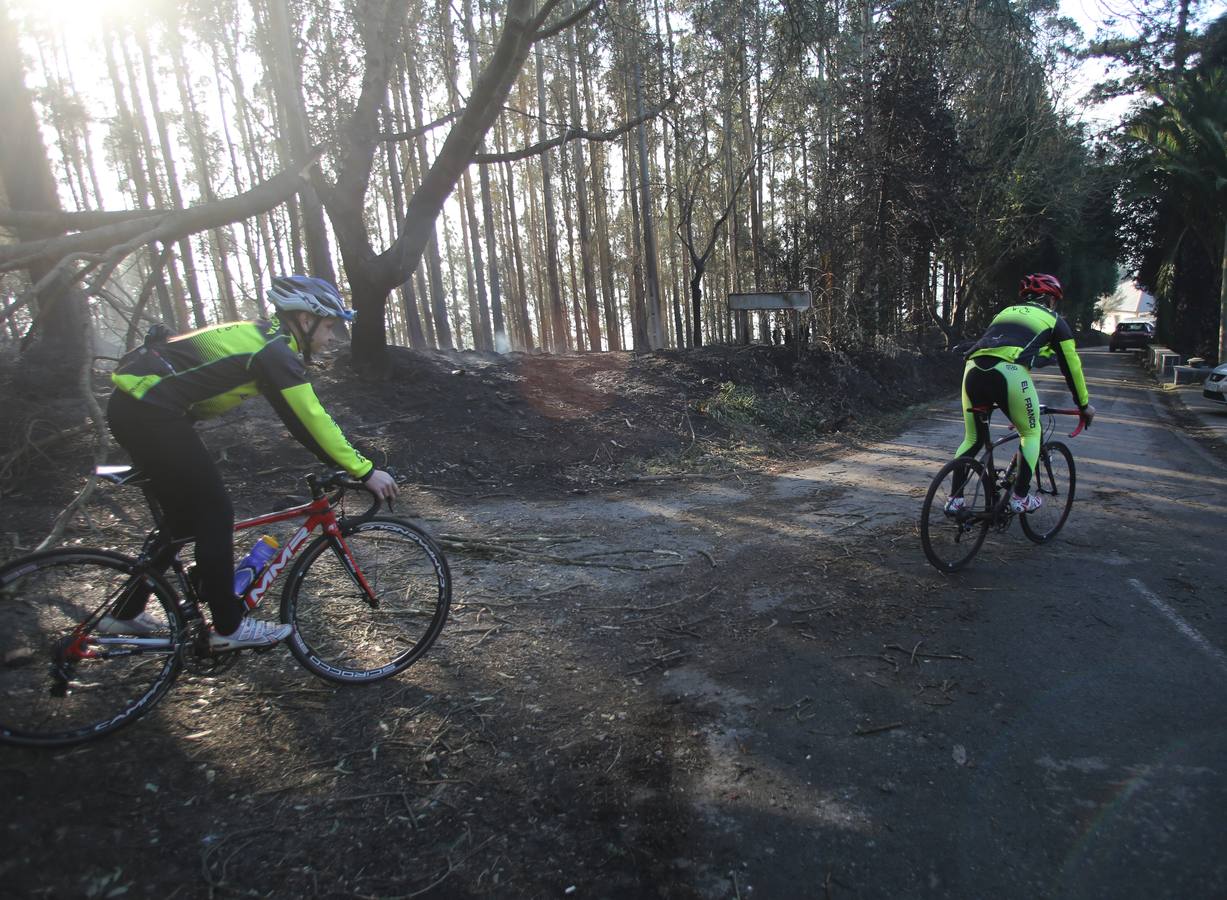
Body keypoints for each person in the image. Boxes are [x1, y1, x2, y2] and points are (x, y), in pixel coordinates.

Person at [101, 275, 397, 649]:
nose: (331, 338)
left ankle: (123, 614)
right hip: (149, 412)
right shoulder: (273, 350)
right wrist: (364, 469)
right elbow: (308, 419)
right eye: (328, 326)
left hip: (136, 408)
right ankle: (228, 628)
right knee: (214, 512)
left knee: (182, 521)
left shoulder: (263, 337)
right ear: (305, 321)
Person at [946, 273, 1095, 515]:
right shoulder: (1055, 320)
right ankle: (1020, 497)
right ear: (1050, 299)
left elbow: (1008, 347)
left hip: (973, 369)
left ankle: (955, 500)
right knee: (1031, 432)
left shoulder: (1004, 313)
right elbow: (1072, 365)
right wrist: (1083, 404)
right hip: (1009, 374)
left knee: (972, 439)